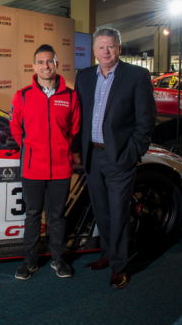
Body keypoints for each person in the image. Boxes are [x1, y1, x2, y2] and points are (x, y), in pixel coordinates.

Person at [72, 28, 156, 289]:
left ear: (119, 48)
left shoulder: (136, 75)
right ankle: (107, 255)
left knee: (119, 211)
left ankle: (119, 266)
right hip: (92, 156)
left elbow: (146, 119)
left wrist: (134, 150)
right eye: (100, 47)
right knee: (101, 210)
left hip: (120, 155)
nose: (105, 52)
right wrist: (77, 150)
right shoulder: (84, 76)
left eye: (110, 47)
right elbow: (79, 118)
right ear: (94, 50)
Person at [9, 44, 81, 280]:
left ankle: (58, 260)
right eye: (40, 62)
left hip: (61, 168)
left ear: (56, 64)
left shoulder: (70, 96)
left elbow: (75, 129)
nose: (45, 66)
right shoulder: (22, 96)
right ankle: (29, 262)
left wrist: (61, 149)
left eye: (49, 61)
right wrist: (30, 150)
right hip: (32, 168)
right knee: (32, 216)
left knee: (57, 216)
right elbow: (16, 129)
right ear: (34, 66)